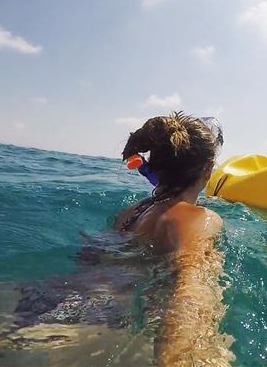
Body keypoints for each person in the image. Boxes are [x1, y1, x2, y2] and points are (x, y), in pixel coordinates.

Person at [114, 112, 233, 367]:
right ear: (208, 169)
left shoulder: (128, 214)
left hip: (66, 309)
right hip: (115, 330)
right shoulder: (201, 220)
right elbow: (192, 293)